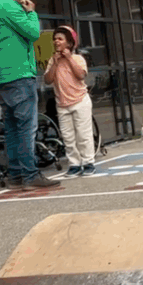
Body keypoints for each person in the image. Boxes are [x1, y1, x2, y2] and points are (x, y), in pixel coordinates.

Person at [0, 0, 60, 189]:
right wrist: (31, 12)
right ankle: (31, 175)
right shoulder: (8, 6)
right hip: (19, 73)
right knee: (26, 127)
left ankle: (15, 176)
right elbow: (32, 33)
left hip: (0, 76)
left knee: (11, 127)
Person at [44, 26, 95, 175]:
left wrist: (69, 58)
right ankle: (74, 164)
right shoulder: (52, 60)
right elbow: (48, 80)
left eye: (60, 39)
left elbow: (80, 75)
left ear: (69, 43)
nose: (56, 42)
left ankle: (88, 163)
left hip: (80, 101)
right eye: (55, 39)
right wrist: (54, 63)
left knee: (83, 135)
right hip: (62, 104)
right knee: (68, 137)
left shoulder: (78, 58)